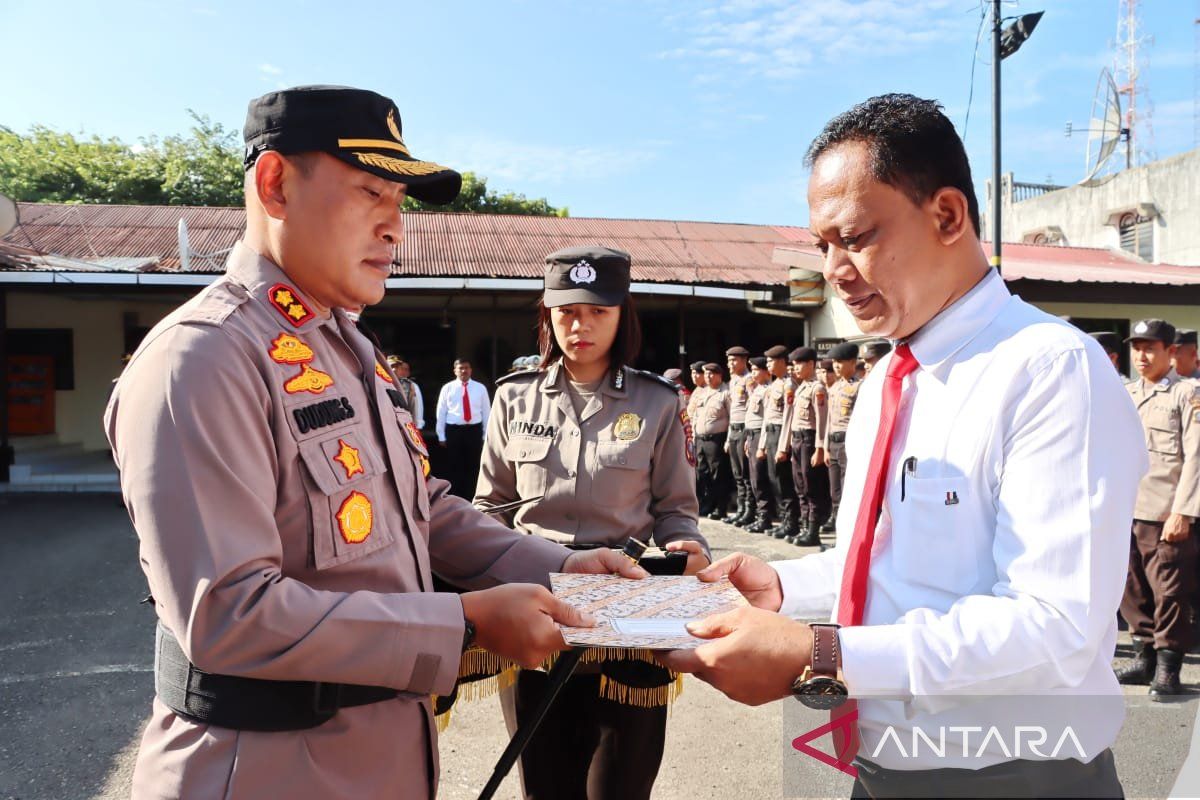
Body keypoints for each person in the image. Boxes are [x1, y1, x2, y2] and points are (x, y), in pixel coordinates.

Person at [104, 86, 644, 800]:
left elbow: (420, 508)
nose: (396, 228)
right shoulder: (203, 358)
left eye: (399, 201)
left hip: (379, 757)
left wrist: (563, 569)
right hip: (267, 770)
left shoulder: (345, 347)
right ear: (275, 184)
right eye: (369, 193)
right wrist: (465, 622)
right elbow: (227, 614)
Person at [662, 94, 1142, 798]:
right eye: (822, 244)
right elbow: (892, 568)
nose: (833, 267)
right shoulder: (892, 376)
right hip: (886, 770)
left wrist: (821, 652)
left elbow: (1053, 630)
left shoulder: (1047, 368)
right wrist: (784, 588)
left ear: (947, 215)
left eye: (854, 237)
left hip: (1015, 776)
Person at [475, 244, 709, 800]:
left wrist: (685, 546)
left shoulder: (657, 402)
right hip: (539, 609)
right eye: (567, 311)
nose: (580, 325)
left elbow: (676, 508)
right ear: (547, 314)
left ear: (622, 314)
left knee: (621, 788)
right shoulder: (513, 399)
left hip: (628, 617)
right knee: (546, 786)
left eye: (597, 311)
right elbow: (488, 509)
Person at [1117, 318, 1200, 697]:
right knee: (1131, 587)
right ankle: (1144, 656)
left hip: (1165, 511)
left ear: (1171, 352)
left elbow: (1196, 457)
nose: (1142, 355)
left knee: (1169, 591)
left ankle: (1169, 665)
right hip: (1125, 508)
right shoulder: (1125, 393)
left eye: (1151, 347)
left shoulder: (1187, 394)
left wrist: (1184, 511)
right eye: (1137, 348)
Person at [781, 346, 828, 547]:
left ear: (810, 364)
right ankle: (803, 527)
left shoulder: (817, 388)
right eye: (793, 364)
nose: (795, 368)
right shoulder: (801, 387)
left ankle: (813, 530)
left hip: (809, 440)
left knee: (811, 486)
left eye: (799, 364)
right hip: (798, 440)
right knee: (799, 485)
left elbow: (822, 420)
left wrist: (819, 447)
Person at [757, 345, 801, 541]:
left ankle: (791, 523)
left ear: (782, 362)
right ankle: (783, 520)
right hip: (771, 434)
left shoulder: (788, 385)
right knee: (774, 481)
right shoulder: (773, 385)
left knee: (784, 482)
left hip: (781, 436)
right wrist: (763, 445)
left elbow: (788, 418)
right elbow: (767, 417)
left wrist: (783, 447)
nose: (768, 365)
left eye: (771, 361)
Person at [435, 358, 490, 498]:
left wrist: (486, 435)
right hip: (454, 431)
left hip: (474, 431)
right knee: (454, 464)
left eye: (466, 368)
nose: (464, 371)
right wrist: (441, 435)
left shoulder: (480, 388)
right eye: (461, 368)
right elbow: (441, 412)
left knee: (474, 465)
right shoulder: (448, 388)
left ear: (471, 370)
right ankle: (455, 497)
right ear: (455, 371)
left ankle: (473, 496)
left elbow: (486, 412)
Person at [821, 341, 860, 534]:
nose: (836, 366)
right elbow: (829, 418)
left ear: (852, 363)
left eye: (840, 362)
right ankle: (836, 520)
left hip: (848, 441)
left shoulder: (860, 387)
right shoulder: (835, 387)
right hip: (833, 441)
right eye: (834, 362)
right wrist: (826, 447)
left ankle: (848, 526)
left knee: (847, 486)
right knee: (834, 487)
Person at [695, 362, 733, 519]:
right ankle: (707, 504)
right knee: (703, 473)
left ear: (719, 375)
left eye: (711, 374)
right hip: (700, 439)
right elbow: (696, 415)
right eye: (706, 374)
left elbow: (732, 417)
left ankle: (720, 507)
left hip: (716, 439)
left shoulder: (725, 393)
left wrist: (728, 440)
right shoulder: (703, 392)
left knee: (718, 475)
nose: (708, 377)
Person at [741, 356, 774, 532]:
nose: (752, 373)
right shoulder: (756, 390)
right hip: (751, 436)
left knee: (760, 479)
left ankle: (765, 517)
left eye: (755, 370)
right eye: (751, 370)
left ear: (764, 371)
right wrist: (747, 439)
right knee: (753, 479)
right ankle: (759, 515)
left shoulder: (768, 390)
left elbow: (766, 419)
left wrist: (761, 444)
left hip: (761, 436)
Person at [723, 346, 754, 526]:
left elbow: (751, 409)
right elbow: (731, 411)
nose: (730, 364)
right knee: (737, 473)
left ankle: (749, 510)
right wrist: (728, 437)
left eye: (734, 360)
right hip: (733, 428)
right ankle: (741, 509)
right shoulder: (733, 381)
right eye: (729, 360)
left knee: (746, 472)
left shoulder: (749, 380)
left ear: (744, 361)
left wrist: (748, 436)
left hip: (744, 428)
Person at [386, 354, 425, 428]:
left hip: (402, 425)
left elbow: (414, 408)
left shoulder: (408, 385)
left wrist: (416, 426)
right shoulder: (378, 382)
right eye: (391, 366)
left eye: (397, 367)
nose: (394, 369)